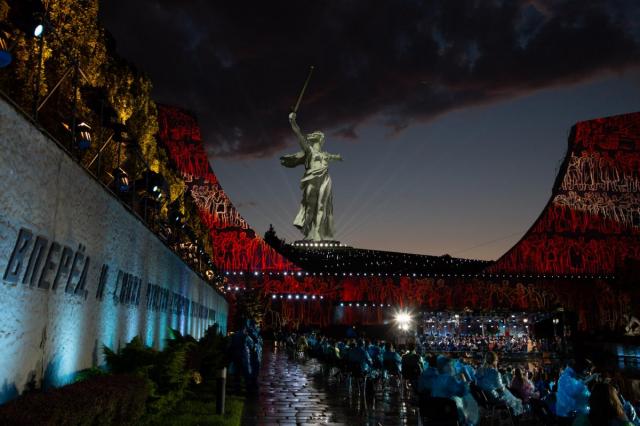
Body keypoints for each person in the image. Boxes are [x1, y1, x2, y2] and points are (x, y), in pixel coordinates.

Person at [281, 112, 342, 241]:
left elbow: (335, 157)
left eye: (318, 134)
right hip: (311, 179)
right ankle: (309, 232)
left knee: (321, 207)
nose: (315, 134)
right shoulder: (309, 150)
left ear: (320, 139)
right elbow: (299, 135)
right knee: (310, 209)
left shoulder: (325, 154)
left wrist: (336, 157)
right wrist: (292, 121)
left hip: (325, 179)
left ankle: (317, 234)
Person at [431, 356, 479, 426]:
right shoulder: (449, 379)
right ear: (443, 367)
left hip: (438, 413)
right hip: (450, 414)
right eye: (449, 365)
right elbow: (462, 393)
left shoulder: (435, 379)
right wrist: (464, 382)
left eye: (451, 365)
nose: (451, 367)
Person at [475, 352, 524, 416]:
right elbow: (500, 388)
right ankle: (514, 418)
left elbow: (479, 383)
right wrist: (504, 386)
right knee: (514, 400)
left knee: (511, 396)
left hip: (485, 398)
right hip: (493, 398)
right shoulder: (495, 373)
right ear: (495, 361)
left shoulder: (479, 370)